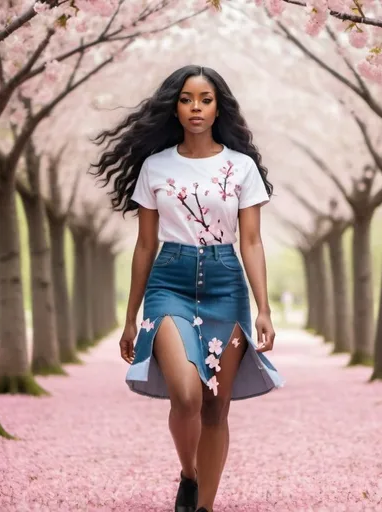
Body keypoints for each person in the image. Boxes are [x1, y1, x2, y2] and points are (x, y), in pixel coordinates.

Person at [91, 65, 284, 512]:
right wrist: (129, 317)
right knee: (186, 394)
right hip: (169, 281)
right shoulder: (155, 167)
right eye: (186, 99)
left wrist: (264, 308)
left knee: (216, 407)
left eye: (205, 99)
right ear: (174, 108)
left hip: (226, 282)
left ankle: (204, 506)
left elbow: (251, 241)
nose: (195, 107)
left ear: (219, 107)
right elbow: (144, 245)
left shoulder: (242, 168)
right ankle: (189, 473)